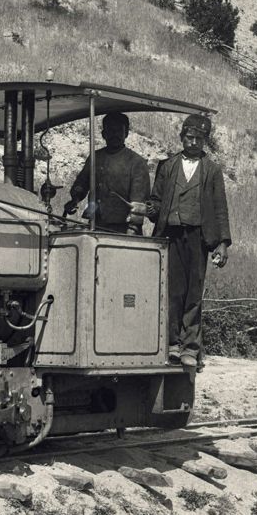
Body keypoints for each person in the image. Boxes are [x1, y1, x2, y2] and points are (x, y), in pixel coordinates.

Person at [140, 114, 231, 372]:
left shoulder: (212, 171)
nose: (193, 143)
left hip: (198, 239)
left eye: (199, 139)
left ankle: (191, 348)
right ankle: (171, 345)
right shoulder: (167, 166)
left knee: (193, 294)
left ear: (205, 141)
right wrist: (147, 210)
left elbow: (220, 207)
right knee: (172, 291)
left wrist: (222, 243)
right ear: (181, 137)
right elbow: (155, 201)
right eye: (189, 137)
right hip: (171, 236)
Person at [63, 112, 151, 234]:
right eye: (111, 130)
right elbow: (82, 183)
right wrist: (75, 199)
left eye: (119, 131)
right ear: (104, 134)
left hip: (124, 229)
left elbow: (138, 201)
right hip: (96, 224)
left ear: (126, 133)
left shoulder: (137, 162)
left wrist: (133, 228)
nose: (115, 135)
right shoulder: (95, 158)